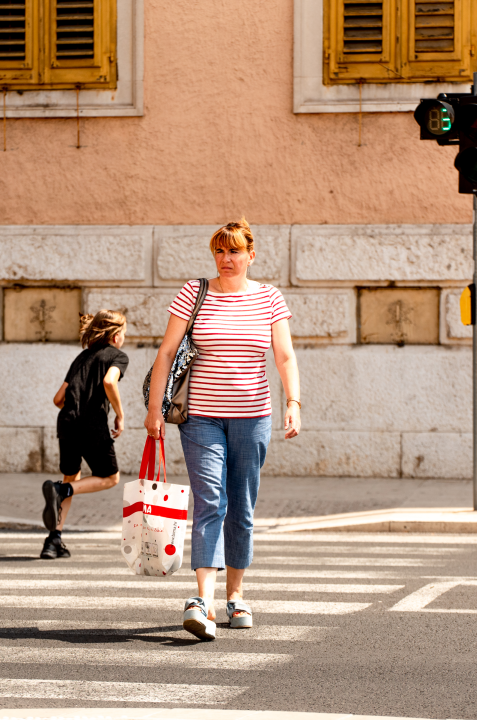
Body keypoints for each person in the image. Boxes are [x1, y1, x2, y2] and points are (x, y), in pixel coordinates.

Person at [143, 218, 301, 641]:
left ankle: (237, 594)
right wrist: (155, 408)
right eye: (220, 251)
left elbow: (284, 356)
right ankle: (201, 601)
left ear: (251, 254)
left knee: (242, 508)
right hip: (201, 419)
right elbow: (167, 351)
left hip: (252, 417)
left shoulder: (269, 298)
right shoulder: (194, 293)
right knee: (210, 499)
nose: (226, 259)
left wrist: (294, 402)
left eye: (234, 251)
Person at [41, 309, 129, 560]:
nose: (123, 338)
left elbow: (59, 398)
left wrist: (73, 408)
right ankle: (63, 492)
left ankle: (53, 540)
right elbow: (110, 382)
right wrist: (119, 415)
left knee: (71, 477)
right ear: (115, 336)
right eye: (123, 334)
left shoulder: (82, 357)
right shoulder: (118, 356)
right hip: (92, 425)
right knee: (110, 478)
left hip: (67, 423)